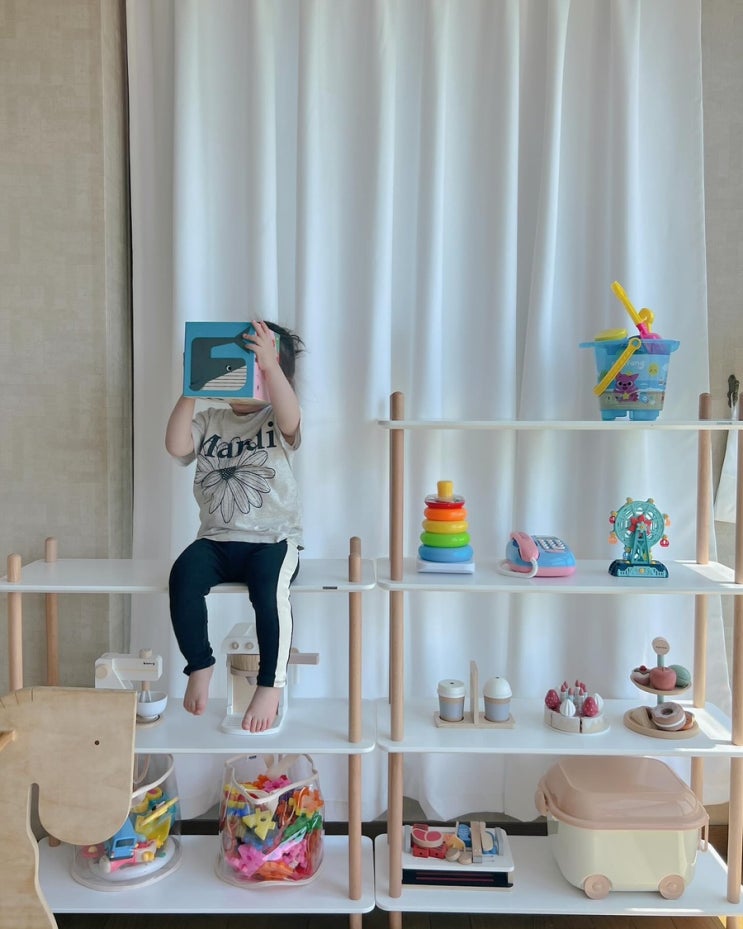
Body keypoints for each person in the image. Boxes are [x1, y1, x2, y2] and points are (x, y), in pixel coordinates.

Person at [165, 319, 305, 733]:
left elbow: (291, 414)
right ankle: (199, 664)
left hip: (271, 540)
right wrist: (191, 386)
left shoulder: (277, 419)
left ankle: (270, 684)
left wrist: (270, 366)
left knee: (269, 596)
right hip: (216, 540)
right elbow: (176, 445)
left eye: (250, 368)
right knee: (183, 577)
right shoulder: (211, 419)